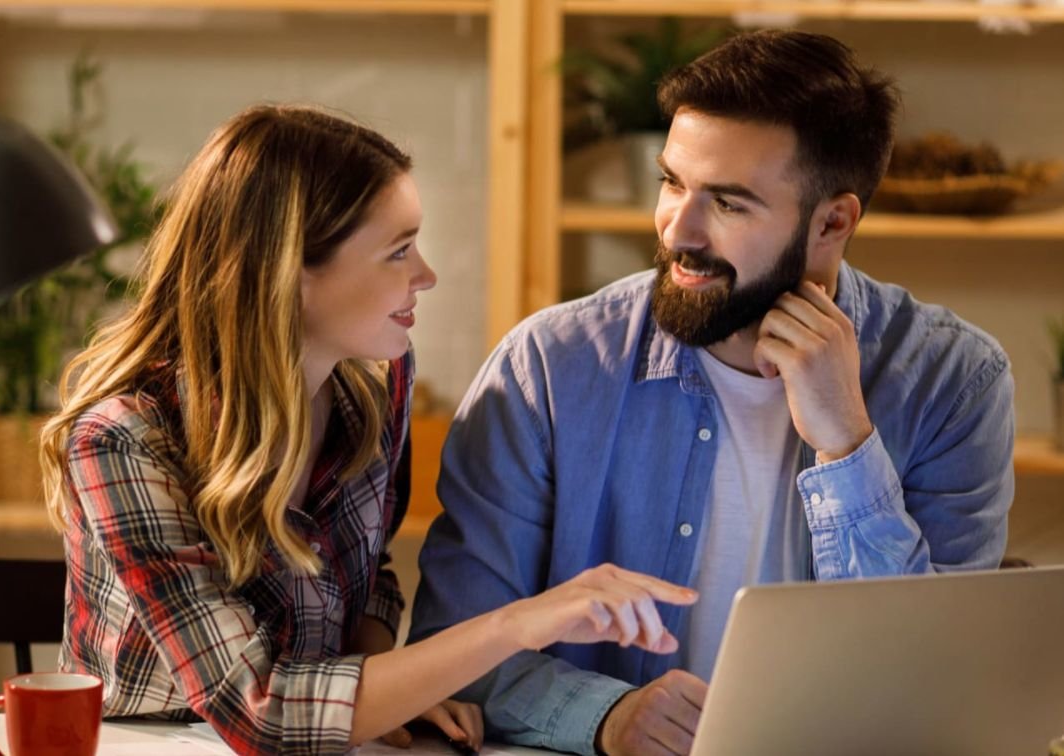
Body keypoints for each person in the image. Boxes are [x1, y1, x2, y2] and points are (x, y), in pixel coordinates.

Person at [410, 29, 1015, 756]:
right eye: (672, 183)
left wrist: (846, 444)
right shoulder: (548, 367)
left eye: (728, 204)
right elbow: (451, 650)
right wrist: (606, 716)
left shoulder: (955, 380)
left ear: (833, 222)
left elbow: (940, 684)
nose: (678, 230)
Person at [38, 104, 698, 755]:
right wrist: (517, 625)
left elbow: (369, 577)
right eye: (397, 251)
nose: (425, 276)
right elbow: (260, 710)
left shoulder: (378, 385)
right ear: (290, 273)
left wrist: (386, 689)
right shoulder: (124, 439)